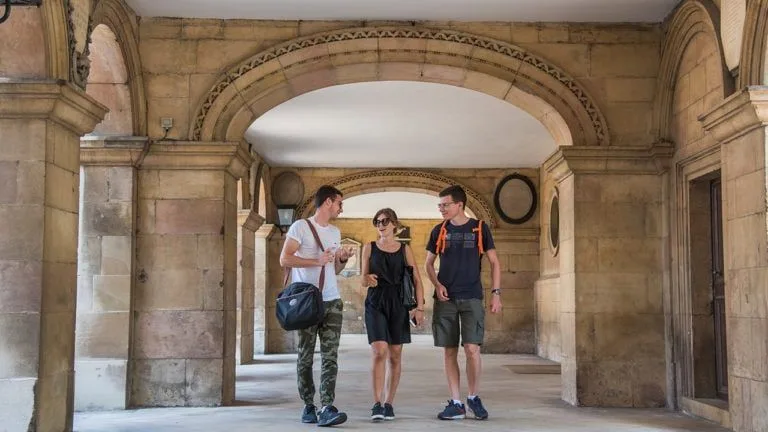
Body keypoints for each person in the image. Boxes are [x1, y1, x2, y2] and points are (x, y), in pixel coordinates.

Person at [425, 185, 502, 421]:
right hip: (446, 299)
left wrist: (496, 293)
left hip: (472, 296)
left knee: (472, 349)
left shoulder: (480, 228)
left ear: (459, 205)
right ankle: (456, 403)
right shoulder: (439, 231)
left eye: (445, 205)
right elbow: (428, 264)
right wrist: (437, 285)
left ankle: (473, 397)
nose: (442, 209)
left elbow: (495, 262)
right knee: (449, 350)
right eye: (440, 205)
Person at [280, 185, 353, 427]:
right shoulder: (300, 227)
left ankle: (327, 406)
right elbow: (285, 258)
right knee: (305, 356)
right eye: (339, 203)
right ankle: (308, 405)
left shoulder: (335, 231)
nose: (341, 208)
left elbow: (332, 269)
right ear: (329, 202)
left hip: (331, 300)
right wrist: (316, 260)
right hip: (307, 302)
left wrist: (341, 259)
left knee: (330, 357)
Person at [360, 208, 425, 422]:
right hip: (376, 301)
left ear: (394, 224)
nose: (380, 224)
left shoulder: (404, 249)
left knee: (395, 354)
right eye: (377, 221)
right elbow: (362, 279)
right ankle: (376, 403)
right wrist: (367, 278)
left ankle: (389, 403)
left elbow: (416, 279)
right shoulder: (369, 248)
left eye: (385, 220)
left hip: (398, 302)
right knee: (379, 350)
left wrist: (420, 307)